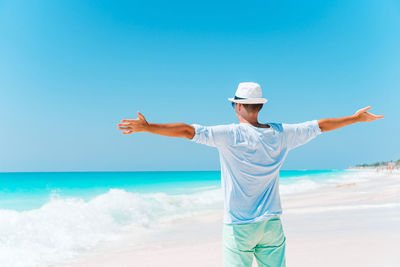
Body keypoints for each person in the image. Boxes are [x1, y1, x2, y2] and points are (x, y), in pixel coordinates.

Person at [117, 82, 384, 267]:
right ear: (258, 106)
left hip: (239, 226)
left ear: (238, 106)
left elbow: (188, 131)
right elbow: (320, 126)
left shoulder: (229, 135)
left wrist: (148, 127)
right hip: (271, 225)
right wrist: (354, 118)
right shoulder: (282, 133)